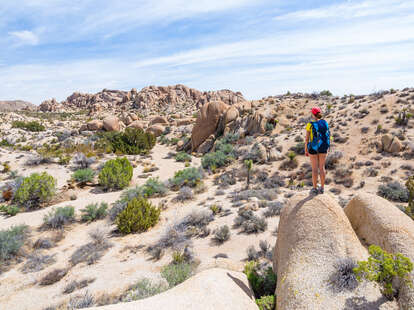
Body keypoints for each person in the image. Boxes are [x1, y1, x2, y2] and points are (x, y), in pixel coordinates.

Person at [305, 107, 330, 195]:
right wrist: (328, 147)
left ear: (312, 114)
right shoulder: (325, 122)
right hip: (323, 147)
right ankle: (322, 188)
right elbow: (328, 135)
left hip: (313, 148)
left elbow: (307, 139)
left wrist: (306, 150)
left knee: (314, 169)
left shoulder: (310, 124)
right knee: (322, 168)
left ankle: (315, 188)